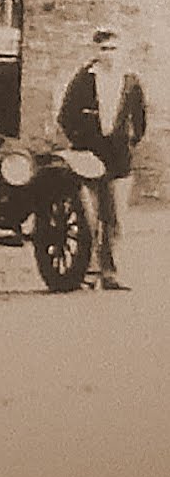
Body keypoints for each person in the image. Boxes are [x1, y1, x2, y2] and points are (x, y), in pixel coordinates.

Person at [59, 25, 146, 292]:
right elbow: (65, 116)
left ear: (121, 51)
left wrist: (129, 140)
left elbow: (140, 119)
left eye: (113, 49)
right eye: (103, 49)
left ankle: (111, 273)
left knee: (116, 218)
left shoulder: (130, 82)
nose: (108, 54)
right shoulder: (84, 79)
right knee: (90, 216)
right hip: (88, 156)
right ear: (95, 51)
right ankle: (88, 271)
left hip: (119, 157)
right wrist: (80, 140)